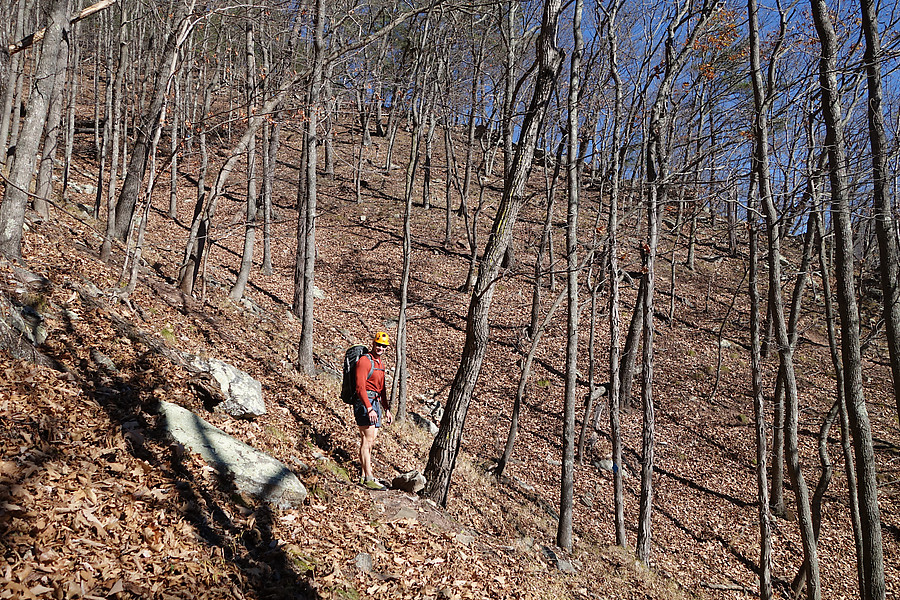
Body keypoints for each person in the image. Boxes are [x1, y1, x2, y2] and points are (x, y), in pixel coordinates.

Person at [354, 331, 393, 489]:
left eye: (383, 346)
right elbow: (359, 387)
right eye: (378, 344)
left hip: (375, 402)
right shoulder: (364, 361)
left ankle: (364, 476)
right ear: (373, 343)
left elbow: (382, 389)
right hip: (365, 403)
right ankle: (369, 477)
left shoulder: (380, 364)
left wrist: (386, 408)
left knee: (371, 441)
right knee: (367, 440)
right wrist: (369, 408)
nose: (380, 348)